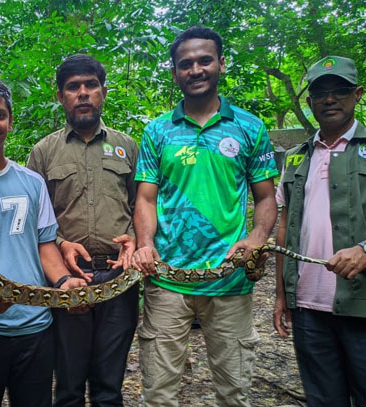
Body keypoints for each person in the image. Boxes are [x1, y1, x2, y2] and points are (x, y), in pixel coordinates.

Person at [131, 26, 279, 407]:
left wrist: (257, 237)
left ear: (221, 64)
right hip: (166, 281)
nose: (195, 69)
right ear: (175, 72)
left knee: (234, 393)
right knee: (158, 395)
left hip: (229, 281)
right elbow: (145, 198)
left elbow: (266, 197)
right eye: (185, 64)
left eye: (204, 60)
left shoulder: (249, 127)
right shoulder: (158, 131)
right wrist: (145, 245)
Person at [273, 56, 366, 406]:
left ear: (358, 94)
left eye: (340, 91)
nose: (330, 99)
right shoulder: (296, 157)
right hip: (306, 306)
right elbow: (284, 224)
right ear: (310, 101)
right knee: (323, 400)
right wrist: (280, 293)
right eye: (320, 92)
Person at [0, 72, 87, 406]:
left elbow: (44, 245)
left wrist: (65, 280)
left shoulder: (32, 182)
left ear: (10, 122)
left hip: (35, 327)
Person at [27, 54, 139, 407]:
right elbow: (34, 220)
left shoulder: (128, 146)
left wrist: (136, 237)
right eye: (73, 87)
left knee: (109, 388)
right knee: (69, 387)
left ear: (103, 91)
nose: (83, 93)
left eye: (90, 85)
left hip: (119, 278)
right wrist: (60, 243)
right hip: (67, 279)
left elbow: (144, 206)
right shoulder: (44, 152)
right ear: (61, 96)